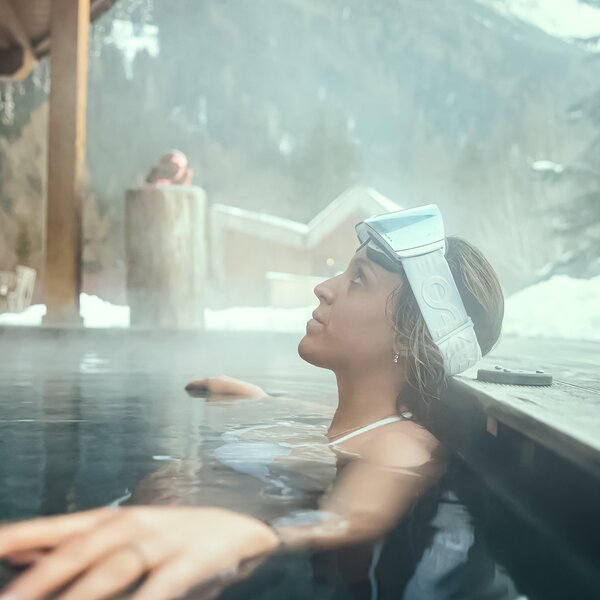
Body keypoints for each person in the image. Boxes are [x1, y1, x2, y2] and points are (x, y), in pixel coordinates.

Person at [0, 205, 504, 600]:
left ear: (407, 338)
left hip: (171, 561)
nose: (324, 288)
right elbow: (320, 432)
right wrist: (260, 398)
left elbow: (357, 514)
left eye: (357, 280)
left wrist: (256, 535)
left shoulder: (402, 445)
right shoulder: (352, 426)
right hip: (145, 542)